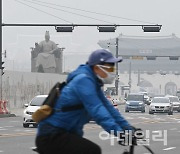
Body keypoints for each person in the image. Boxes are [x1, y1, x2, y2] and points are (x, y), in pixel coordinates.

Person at [35, 49, 135, 154]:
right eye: (110, 67)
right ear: (97, 67)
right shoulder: (83, 81)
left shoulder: (94, 83)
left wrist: (127, 128)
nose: (113, 71)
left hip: (65, 134)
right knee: (92, 150)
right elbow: (97, 110)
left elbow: (108, 108)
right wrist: (119, 133)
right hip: (52, 135)